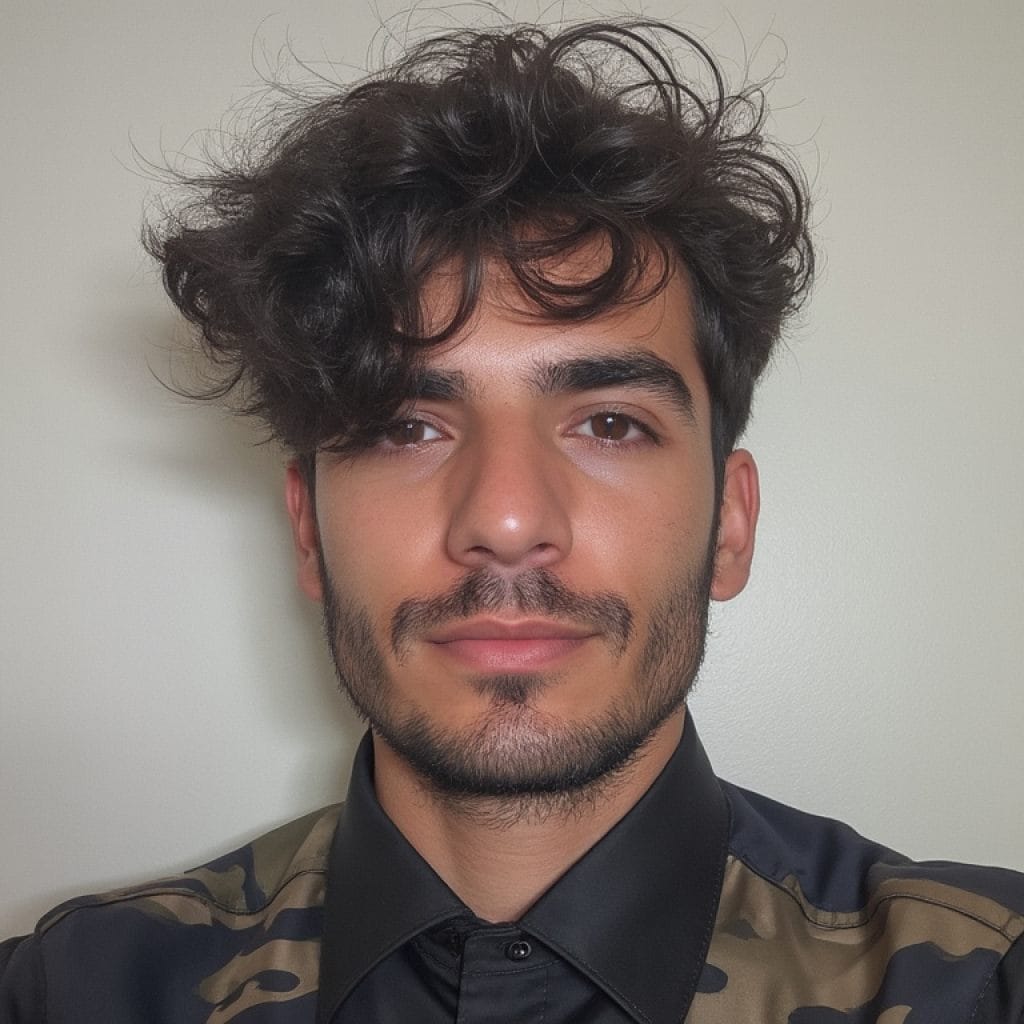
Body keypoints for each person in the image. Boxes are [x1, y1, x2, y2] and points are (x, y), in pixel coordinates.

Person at [2, 16, 1021, 1024]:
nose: (503, 517)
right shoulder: (74, 992)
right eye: (404, 427)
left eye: (610, 423)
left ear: (730, 525)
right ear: (308, 529)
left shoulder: (980, 986)